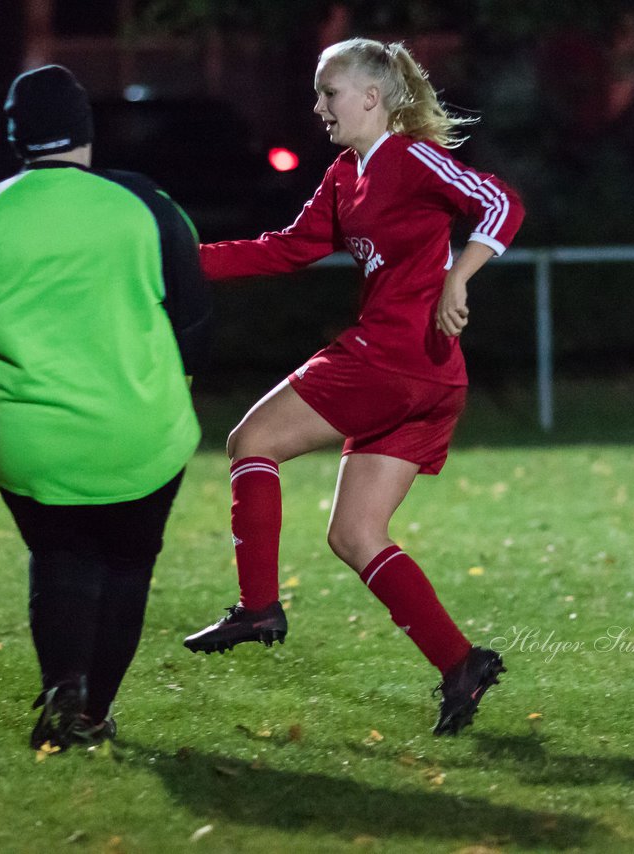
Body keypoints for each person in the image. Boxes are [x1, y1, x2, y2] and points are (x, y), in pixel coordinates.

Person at [182, 38, 524, 735]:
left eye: (328, 92)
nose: (318, 106)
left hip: (390, 361)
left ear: (373, 97)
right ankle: (460, 664)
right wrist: (182, 263)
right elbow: (287, 249)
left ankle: (258, 606)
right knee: (356, 534)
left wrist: (459, 276)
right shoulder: (347, 175)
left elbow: (501, 202)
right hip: (426, 377)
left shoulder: (406, 156)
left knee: (251, 441)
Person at [0, 65, 211, 751]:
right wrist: (181, 379)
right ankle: (94, 709)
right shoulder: (146, 203)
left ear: (15, 136)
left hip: (34, 437)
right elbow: (195, 316)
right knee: (129, 567)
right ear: (87, 131)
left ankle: (63, 686)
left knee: (59, 555)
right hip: (143, 429)